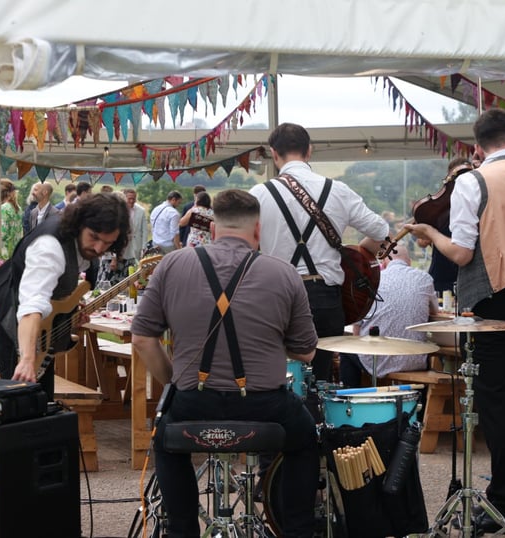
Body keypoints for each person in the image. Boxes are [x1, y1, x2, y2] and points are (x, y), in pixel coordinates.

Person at [406, 108, 505, 536]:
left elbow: (462, 254)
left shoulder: (471, 182)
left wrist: (429, 235)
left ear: (476, 148)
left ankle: (504, 505)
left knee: (495, 403)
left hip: (489, 299)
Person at [131, 189, 319, 538]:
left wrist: (175, 384)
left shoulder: (172, 264)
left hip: (193, 401)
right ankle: (296, 530)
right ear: (258, 231)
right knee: (307, 439)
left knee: (165, 443)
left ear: (213, 228)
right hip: (265, 405)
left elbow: (142, 339)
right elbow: (306, 353)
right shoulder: (284, 273)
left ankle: (182, 530)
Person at [250, 122, 389, 382]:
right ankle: (315, 420)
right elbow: (380, 229)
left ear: (273, 153)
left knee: (274, 374)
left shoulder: (259, 194)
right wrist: (361, 251)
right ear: (309, 151)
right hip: (325, 297)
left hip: (276, 295)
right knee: (321, 379)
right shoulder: (337, 191)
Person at [0, 193, 131, 388]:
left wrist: (70, 311)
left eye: (108, 243)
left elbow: (56, 289)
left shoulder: (86, 245)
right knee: (15, 403)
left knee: (41, 405)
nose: (99, 248)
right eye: (94, 237)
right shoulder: (49, 248)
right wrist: (27, 359)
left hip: (43, 331)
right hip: (8, 316)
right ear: (79, 224)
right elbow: (31, 306)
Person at [339, 244, 439, 387]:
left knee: (346, 351)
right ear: (409, 262)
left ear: (384, 262)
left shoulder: (373, 281)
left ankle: (351, 399)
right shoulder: (425, 278)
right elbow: (435, 312)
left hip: (377, 362)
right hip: (415, 360)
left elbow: (357, 330)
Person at [416, 157, 474, 294]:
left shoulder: (474, 204)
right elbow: (422, 242)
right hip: (441, 275)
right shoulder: (438, 208)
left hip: (467, 275)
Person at [122, 188, 148, 268]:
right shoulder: (120, 210)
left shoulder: (141, 211)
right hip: (123, 246)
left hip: (136, 245)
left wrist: (144, 247)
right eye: (130, 198)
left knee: (135, 267)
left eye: (134, 198)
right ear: (124, 198)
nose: (132, 201)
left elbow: (144, 230)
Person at [0, 178, 23, 258]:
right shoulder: (18, 208)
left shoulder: (3, 208)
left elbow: (2, 234)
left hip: (4, 252)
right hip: (15, 250)